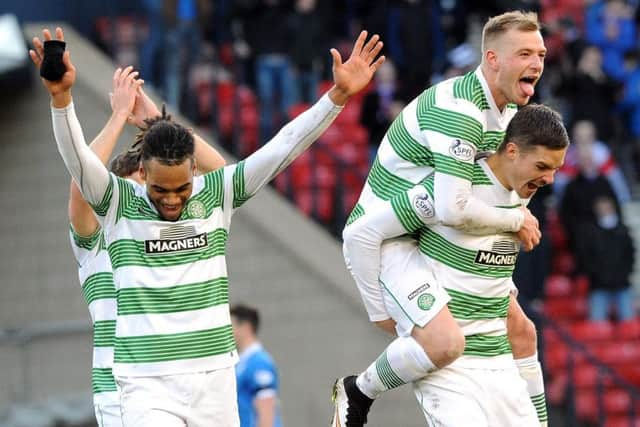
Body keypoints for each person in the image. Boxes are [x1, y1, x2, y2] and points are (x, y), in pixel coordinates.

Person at [33, 26, 384, 426]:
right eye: (160, 189)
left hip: (214, 377)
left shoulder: (215, 193)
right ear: (143, 175)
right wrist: (62, 100)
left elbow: (282, 147)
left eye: (181, 188)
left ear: (195, 173)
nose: (171, 199)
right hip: (143, 383)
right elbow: (80, 169)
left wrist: (336, 97)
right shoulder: (119, 206)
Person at [333, 10, 549, 427]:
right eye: (524, 53)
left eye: (540, 53)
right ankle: (358, 391)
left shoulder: (506, 117)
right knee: (446, 343)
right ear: (492, 59)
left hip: (430, 228)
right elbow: (453, 208)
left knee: (523, 332)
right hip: (391, 238)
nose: (537, 63)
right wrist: (377, 308)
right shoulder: (461, 110)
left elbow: (465, 203)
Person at [63, 66, 227, 426]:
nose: (145, 199)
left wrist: (156, 122)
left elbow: (219, 171)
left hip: (182, 383)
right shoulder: (97, 241)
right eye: (136, 188)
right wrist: (120, 116)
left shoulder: (166, 234)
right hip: (120, 391)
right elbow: (81, 186)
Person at [577, 196, 636, 322]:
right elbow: (587, 258)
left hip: (622, 284)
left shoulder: (623, 231)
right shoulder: (590, 233)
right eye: (601, 209)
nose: (604, 211)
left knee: (629, 324)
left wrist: (623, 275)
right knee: (597, 325)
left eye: (607, 208)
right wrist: (597, 276)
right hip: (599, 286)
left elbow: (630, 256)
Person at [231, 304, 282, 427]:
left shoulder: (259, 363)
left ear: (246, 327)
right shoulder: (241, 363)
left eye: (230, 326)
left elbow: (266, 411)